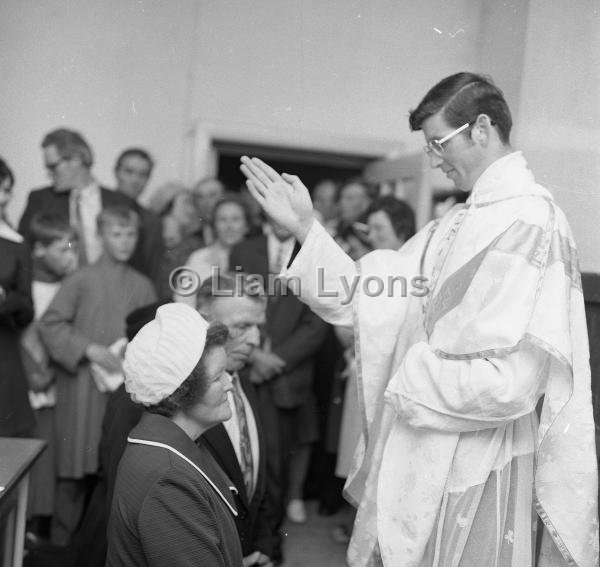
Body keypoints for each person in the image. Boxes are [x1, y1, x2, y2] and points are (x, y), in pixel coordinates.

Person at [240, 72, 598, 566]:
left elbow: (516, 383)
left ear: (480, 128)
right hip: (417, 442)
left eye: (437, 143)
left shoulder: (536, 222)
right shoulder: (451, 224)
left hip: (480, 457)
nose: (432, 159)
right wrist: (306, 228)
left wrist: (409, 376)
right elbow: (363, 296)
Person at [39, 205, 156, 545]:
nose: (124, 241)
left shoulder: (144, 285)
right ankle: (61, 547)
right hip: (82, 389)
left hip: (123, 389)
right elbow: (51, 324)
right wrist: (88, 348)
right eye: (116, 234)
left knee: (114, 471)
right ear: (101, 236)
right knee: (74, 469)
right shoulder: (81, 278)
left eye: (130, 234)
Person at [106, 304, 243, 567]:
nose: (229, 383)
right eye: (217, 378)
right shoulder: (168, 478)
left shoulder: (170, 447)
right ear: (181, 393)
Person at [230, 217, 328, 555]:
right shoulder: (244, 250)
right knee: (245, 458)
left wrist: (275, 361)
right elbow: (230, 301)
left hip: (288, 375)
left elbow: (317, 323)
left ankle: (269, 546)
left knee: (276, 463)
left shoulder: (314, 254)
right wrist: (255, 355)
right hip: (245, 366)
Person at [18, 129, 154, 278]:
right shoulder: (40, 199)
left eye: (53, 166)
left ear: (76, 160)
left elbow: (139, 260)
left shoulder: (122, 202)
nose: (49, 174)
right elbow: (23, 252)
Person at [20, 212, 78, 541]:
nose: (71, 257)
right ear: (39, 249)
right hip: (26, 387)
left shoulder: (71, 287)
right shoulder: (25, 283)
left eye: (73, 249)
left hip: (56, 388)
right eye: (63, 249)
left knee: (48, 466)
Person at [0, 157, 35, 437]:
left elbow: (26, 307)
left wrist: (4, 298)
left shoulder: (15, 243)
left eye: (8, 189)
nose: (4, 197)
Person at [176, 195, 249, 307]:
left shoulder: (258, 257)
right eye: (222, 219)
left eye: (235, 219)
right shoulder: (199, 257)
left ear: (246, 225)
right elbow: (182, 302)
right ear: (214, 225)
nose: (229, 226)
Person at [114, 147, 163, 280]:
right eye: (129, 172)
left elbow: (153, 270)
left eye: (143, 175)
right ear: (117, 172)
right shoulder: (97, 208)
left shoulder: (152, 221)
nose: (135, 180)